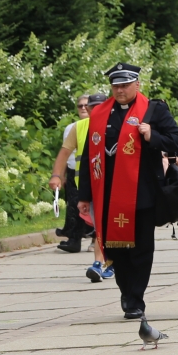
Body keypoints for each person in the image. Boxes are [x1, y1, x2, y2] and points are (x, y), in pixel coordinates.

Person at [76, 63, 178, 319]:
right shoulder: (100, 114)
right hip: (107, 195)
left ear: (137, 84)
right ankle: (126, 292)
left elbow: (177, 141)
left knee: (141, 249)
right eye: (116, 85)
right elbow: (87, 157)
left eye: (125, 85)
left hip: (142, 193)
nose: (120, 90)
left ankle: (136, 298)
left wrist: (152, 136)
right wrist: (84, 196)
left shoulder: (154, 110)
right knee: (115, 250)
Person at [48, 93, 101, 253]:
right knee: (87, 215)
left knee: (103, 220)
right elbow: (64, 153)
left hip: (108, 180)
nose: (96, 110)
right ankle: (100, 261)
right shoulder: (78, 127)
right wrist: (57, 175)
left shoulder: (117, 124)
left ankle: (103, 259)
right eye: (93, 107)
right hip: (84, 180)